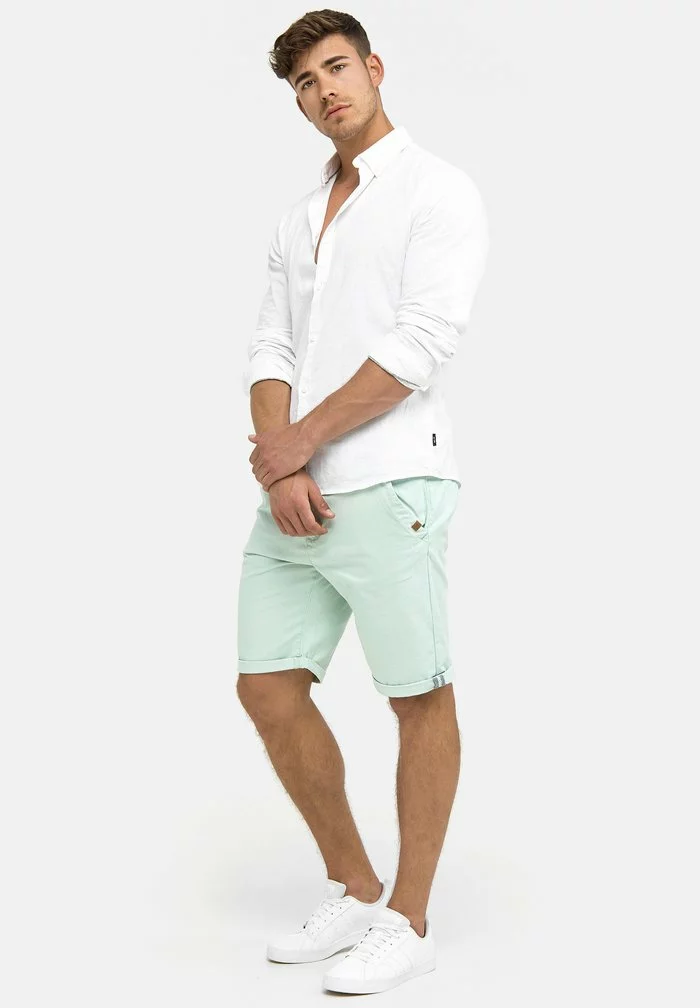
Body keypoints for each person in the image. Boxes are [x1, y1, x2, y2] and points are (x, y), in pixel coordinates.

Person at [236, 10, 489, 995]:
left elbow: (423, 342)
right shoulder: (298, 218)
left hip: (393, 484)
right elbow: (272, 346)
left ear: (374, 68)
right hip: (295, 494)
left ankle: (409, 920)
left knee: (416, 695)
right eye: (304, 82)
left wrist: (301, 441)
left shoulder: (437, 190)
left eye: (336, 68)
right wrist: (282, 466)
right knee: (267, 686)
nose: (324, 90)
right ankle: (355, 883)